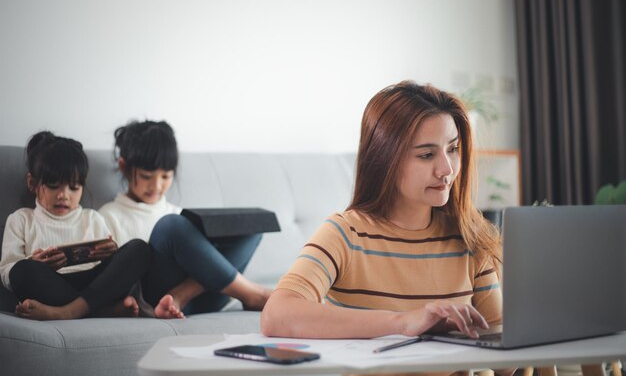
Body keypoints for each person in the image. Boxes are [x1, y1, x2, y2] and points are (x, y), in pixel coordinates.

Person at [261, 81, 512, 376]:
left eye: (453, 149)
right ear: (385, 159)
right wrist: (403, 323)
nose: (446, 169)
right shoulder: (346, 234)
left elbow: (506, 362)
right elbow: (276, 316)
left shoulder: (469, 236)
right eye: (426, 155)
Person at [99, 120, 271, 319]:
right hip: (154, 301)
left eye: (165, 176)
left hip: (204, 297)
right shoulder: (108, 216)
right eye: (147, 176)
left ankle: (181, 295)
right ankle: (253, 295)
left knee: (252, 224)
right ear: (124, 167)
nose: (156, 185)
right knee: (171, 225)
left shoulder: (178, 213)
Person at [0, 131, 150, 320]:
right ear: (32, 183)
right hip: (53, 285)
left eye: (73, 187)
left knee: (139, 248)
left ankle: (68, 312)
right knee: (21, 271)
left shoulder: (92, 218)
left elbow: (113, 274)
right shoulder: (21, 219)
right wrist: (34, 262)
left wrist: (111, 252)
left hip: (93, 285)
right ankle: (100, 311)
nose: (64, 195)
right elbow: (6, 272)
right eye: (54, 185)